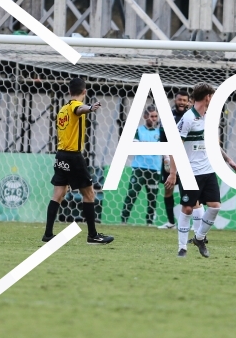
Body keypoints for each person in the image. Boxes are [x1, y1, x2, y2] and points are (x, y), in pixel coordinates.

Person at [164, 82, 236, 258]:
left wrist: (227, 159)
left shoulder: (209, 118)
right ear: (207, 97)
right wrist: (173, 173)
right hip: (190, 171)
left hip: (207, 170)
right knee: (188, 209)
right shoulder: (188, 119)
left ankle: (199, 238)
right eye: (212, 97)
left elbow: (212, 143)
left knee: (214, 207)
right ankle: (182, 247)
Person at [42, 77, 114, 245]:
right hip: (74, 157)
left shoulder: (62, 109)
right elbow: (79, 109)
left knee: (58, 194)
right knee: (89, 194)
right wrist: (90, 107)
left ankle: (48, 234)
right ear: (84, 91)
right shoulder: (75, 106)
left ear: (68, 91)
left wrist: (86, 108)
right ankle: (93, 235)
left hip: (60, 155)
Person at [120, 105, 163, 226]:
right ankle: (123, 220)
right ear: (145, 116)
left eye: (155, 116)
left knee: (152, 197)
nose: (154, 119)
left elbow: (160, 148)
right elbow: (133, 146)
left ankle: (149, 223)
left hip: (154, 168)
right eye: (152, 116)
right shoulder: (138, 130)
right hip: (139, 167)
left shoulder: (160, 132)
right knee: (132, 194)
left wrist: (145, 145)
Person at [157, 89, 191, 230]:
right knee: (168, 190)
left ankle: (186, 224)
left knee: (187, 192)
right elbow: (163, 139)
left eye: (184, 100)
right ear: (175, 100)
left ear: (188, 102)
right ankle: (171, 222)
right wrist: (165, 157)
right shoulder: (168, 117)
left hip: (187, 160)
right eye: (179, 100)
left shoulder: (191, 117)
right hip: (170, 159)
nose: (182, 102)